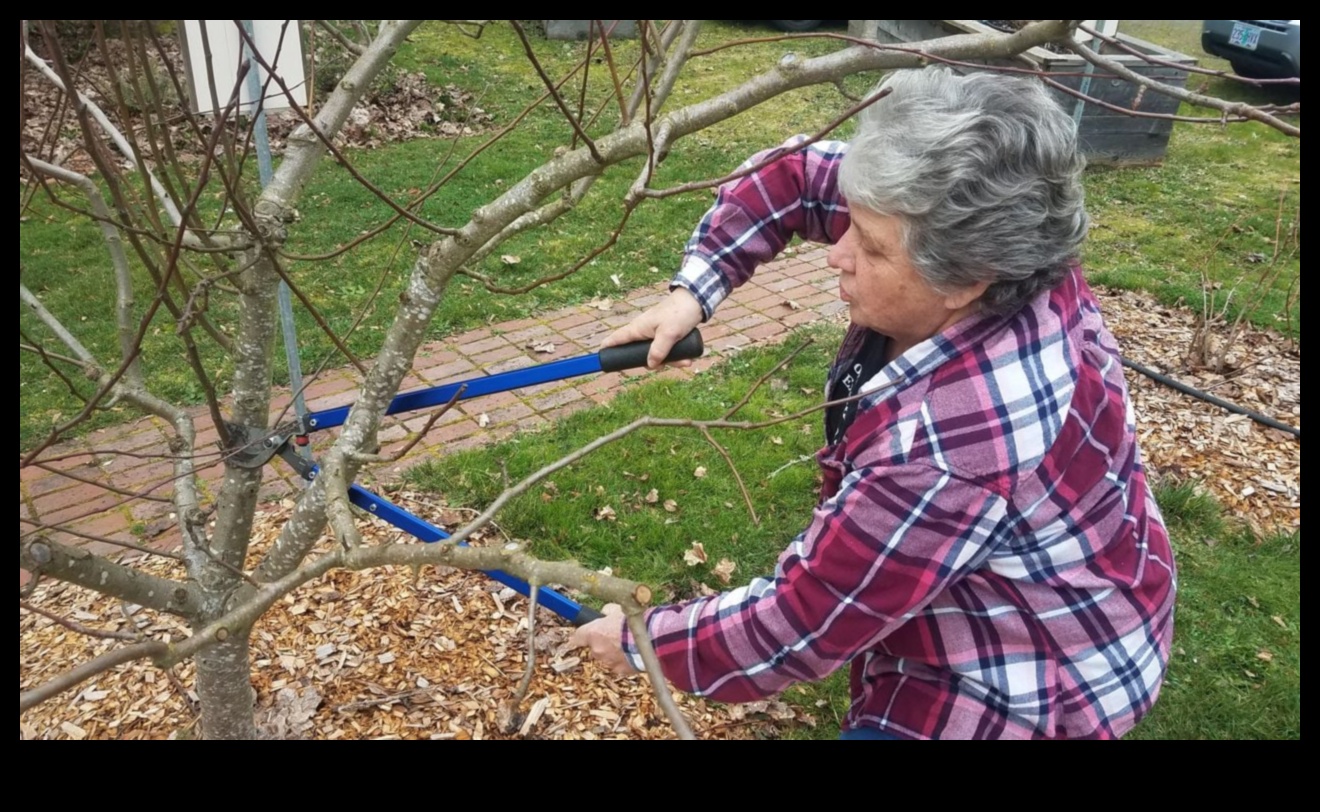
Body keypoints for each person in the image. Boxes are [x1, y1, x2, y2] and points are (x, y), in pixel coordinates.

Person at [572, 68, 1177, 739]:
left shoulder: (947, 451)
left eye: (870, 245)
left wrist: (642, 640)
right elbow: (795, 175)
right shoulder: (994, 232)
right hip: (1101, 569)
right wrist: (695, 289)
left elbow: (799, 624)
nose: (838, 252)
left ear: (967, 280)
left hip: (1034, 673)